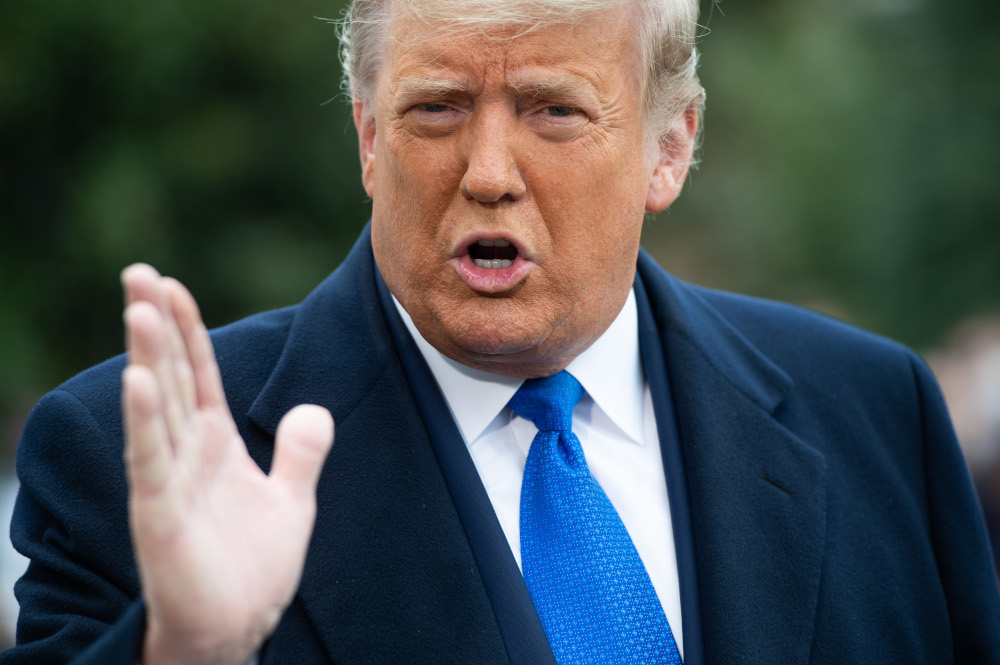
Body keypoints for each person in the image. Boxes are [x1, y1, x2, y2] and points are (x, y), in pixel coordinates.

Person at [5, 0, 1000, 662]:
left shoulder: (873, 411)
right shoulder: (134, 458)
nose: (487, 168)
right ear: (365, 137)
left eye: (552, 111)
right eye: (436, 107)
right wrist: (186, 647)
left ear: (669, 148)